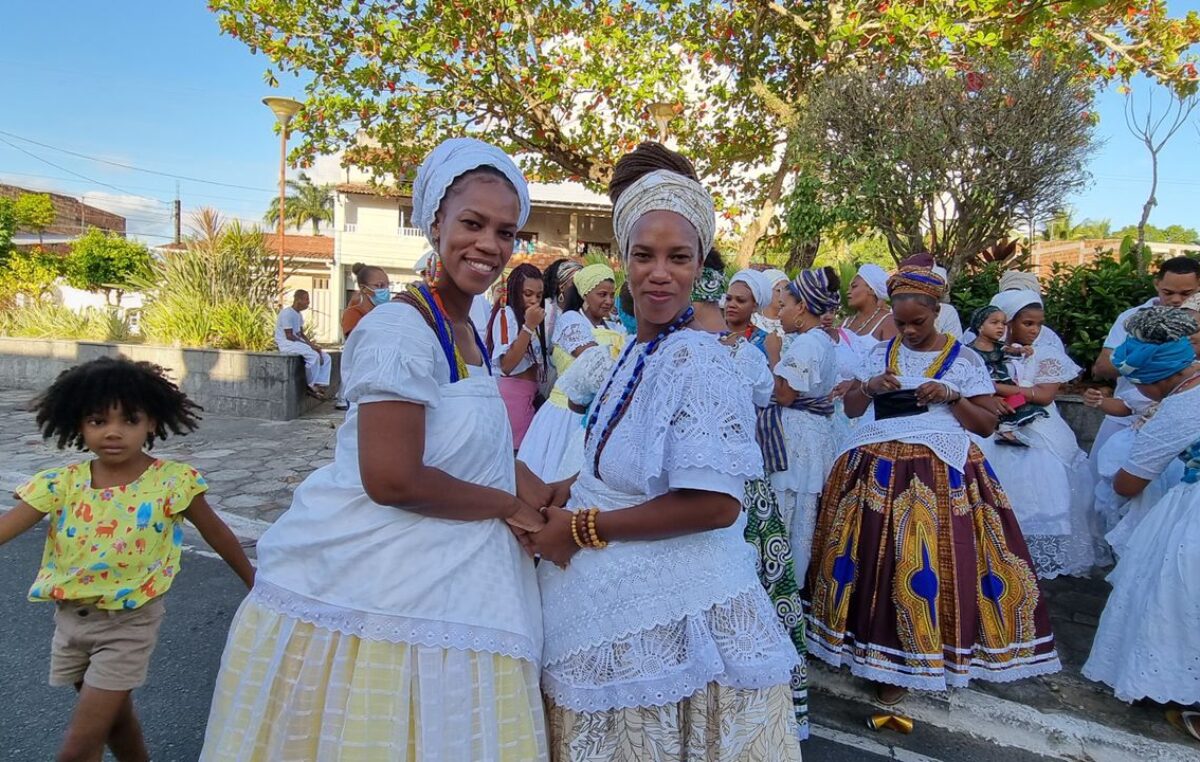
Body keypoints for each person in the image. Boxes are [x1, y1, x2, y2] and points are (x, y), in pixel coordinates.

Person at [201, 138, 549, 761]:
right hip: (385, 592)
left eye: (506, 231)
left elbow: (471, 451)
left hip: (460, 579)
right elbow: (391, 478)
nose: (490, 245)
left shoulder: (465, 329)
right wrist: (506, 505)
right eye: (472, 223)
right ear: (435, 221)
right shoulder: (398, 328)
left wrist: (557, 496)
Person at [528, 166, 803, 760]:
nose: (659, 273)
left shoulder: (699, 363)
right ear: (623, 260)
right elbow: (623, 461)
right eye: (644, 255)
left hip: (671, 612)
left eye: (678, 258)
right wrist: (566, 488)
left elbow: (714, 504)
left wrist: (580, 527)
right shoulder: (636, 350)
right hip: (615, 596)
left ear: (699, 266)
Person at [805, 264, 1059, 707]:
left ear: (937, 312)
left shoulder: (964, 360)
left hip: (940, 470)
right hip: (875, 463)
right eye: (900, 323)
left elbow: (983, 424)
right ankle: (866, 646)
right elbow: (850, 409)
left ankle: (912, 659)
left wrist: (952, 396)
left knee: (920, 562)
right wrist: (868, 386)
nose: (908, 332)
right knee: (869, 560)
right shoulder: (882, 351)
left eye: (917, 323)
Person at [0, 356, 254, 762]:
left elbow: (216, 533)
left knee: (79, 745)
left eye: (129, 420)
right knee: (114, 721)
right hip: (71, 621)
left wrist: (253, 581)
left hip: (128, 623)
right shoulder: (61, 484)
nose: (113, 432)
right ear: (79, 426)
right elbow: (6, 528)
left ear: (151, 423)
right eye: (98, 421)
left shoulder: (172, 482)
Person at [1082, 307, 1200, 714]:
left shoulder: (1177, 408)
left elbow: (1130, 482)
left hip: (1194, 507)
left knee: (1172, 588)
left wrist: (1111, 480)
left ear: (1158, 379)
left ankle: (1173, 682)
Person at [974, 289, 1101, 579]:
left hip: (1039, 425)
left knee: (1043, 482)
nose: (1034, 330)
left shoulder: (1046, 353)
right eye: (1026, 323)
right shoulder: (986, 351)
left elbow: (1043, 396)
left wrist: (996, 387)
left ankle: (1029, 553)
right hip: (992, 420)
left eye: (1038, 324)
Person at [516, 263, 625, 481]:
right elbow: (595, 365)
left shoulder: (614, 326)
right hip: (565, 413)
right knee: (553, 475)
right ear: (585, 294)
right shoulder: (571, 321)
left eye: (612, 295)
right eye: (602, 294)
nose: (609, 301)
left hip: (595, 414)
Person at [769, 268, 841, 586]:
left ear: (801, 307)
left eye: (784, 305)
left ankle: (786, 584)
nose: (779, 312)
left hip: (799, 438)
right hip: (812, 433)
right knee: (800, 510)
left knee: (790, 506)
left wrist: (771, 355)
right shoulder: (817, 340)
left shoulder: (806, 345)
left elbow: (784, 395)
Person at [1090, 256, 1200, 457]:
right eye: (1168, 292)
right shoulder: (1133, 318)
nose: (1176, 300)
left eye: (1186, 293)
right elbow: (1103, 366)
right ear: (1157, 284)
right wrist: (1158, 359)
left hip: (1184, 425)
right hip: (1126, 420)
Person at [966, 305, 1047, 445]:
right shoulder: (968, 351)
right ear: (980, 326)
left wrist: (1022, 350)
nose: (1000, 327)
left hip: (1003, 382)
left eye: (1003, 323)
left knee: (1016, 402)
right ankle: (1000, 428)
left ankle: (1007, 429)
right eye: (994, 323)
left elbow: (1011, 351)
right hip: (983, 386)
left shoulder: (1000, 347)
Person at [488, 263, 548, 449]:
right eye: (527, 294)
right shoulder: (507, 316)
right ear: (515, 291)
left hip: (528, 396)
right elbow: (506, 365)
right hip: (513, 398)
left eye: (539, 296)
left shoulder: (528, 318)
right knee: (515, 457)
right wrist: (528, 327)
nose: (534, 301)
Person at [335, 263, 391, 410]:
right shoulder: (353, 314)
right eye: (379, 285)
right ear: (364, 289)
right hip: (360, 383)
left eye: (387, 285)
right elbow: (360, 346)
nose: (385, 290)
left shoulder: (387, 314)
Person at [275, 289, 333, 399]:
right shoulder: (287, 313)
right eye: (306, 299)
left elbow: (301, 333)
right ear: (298, 300)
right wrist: (310, 347)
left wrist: (312, 345)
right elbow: (289, 336)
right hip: (287, 343)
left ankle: (319, 383)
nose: (308, 303)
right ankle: (310, 385)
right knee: (313, 356)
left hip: (296, 342)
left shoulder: (299, 315)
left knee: (326, 357)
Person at [841, 263, 896, 341]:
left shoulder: (888, 321)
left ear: (871, 290)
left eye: (854, 286)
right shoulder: (845, 323)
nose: (848, 292)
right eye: (848, 288)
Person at [752, 268, 791, 336]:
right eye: (779, 290)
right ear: (766, 292)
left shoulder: (792, 322)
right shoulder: (753, 320)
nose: (783, 295)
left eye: (787, 291)